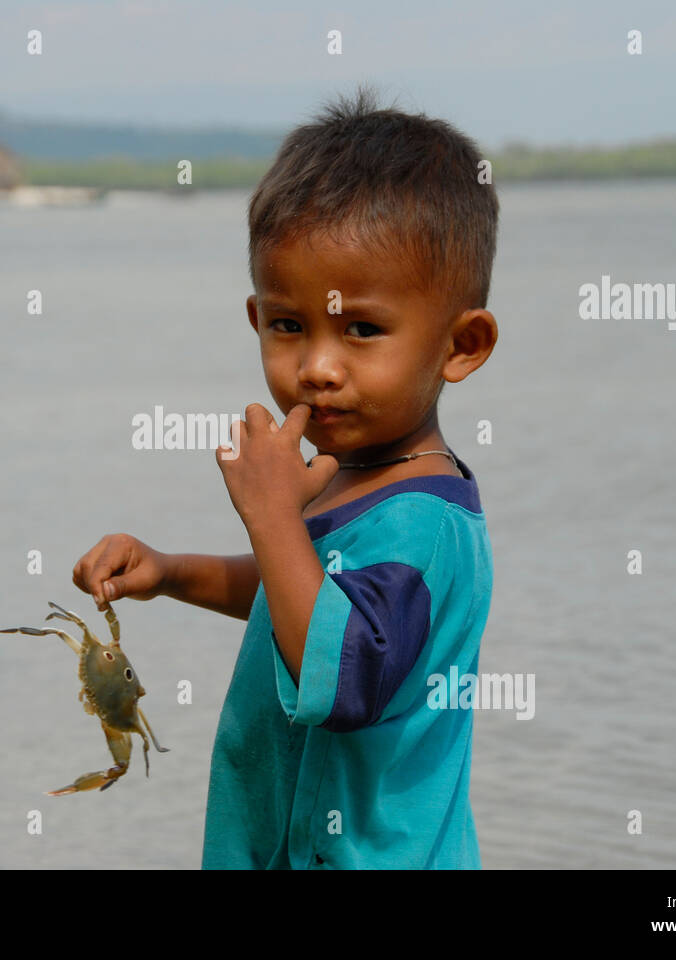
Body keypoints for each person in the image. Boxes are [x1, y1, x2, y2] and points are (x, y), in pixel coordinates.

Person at [70, 86, 499, 869]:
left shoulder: (423, 523)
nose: (317, 369)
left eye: (362, 329)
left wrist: (269, 514)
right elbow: (292, 598)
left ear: (460, 345)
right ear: (255, 316)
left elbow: (341, 679)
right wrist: (171, 573)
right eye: (288, 326)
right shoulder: (351, 478)